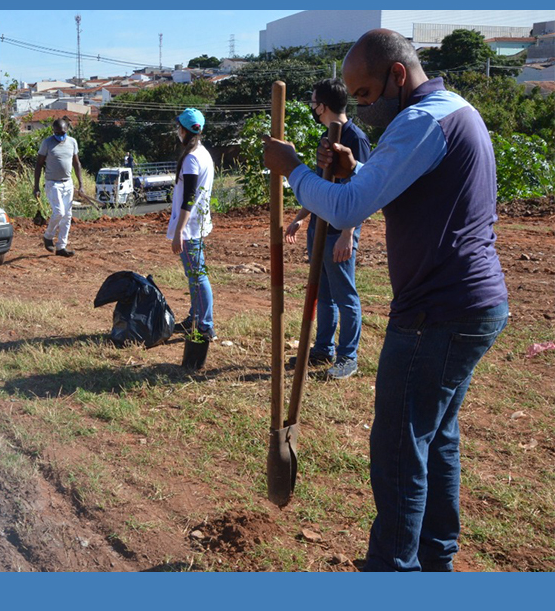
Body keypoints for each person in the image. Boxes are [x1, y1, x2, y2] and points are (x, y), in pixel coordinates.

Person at [264, 29, 508, 572]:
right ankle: (434, 560)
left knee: (399, 447)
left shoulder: (423, 121)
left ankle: (391, 573)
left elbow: (347, 209)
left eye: (368, 95)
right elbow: (390, 186)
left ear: (398, 76)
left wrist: (294, 170)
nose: (365, 109)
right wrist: (354, 168)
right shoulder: (451, 111)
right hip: (469, 305)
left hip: (436, 313)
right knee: (435, 437)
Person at [285, 78, 371, 380]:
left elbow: (362, 190)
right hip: (319, 226)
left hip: (339, 230)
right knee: (323, 292)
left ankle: (348, 357)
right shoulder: (327, 134)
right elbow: (322, 186)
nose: (311, 106)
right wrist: (301, 217)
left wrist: (348, 233)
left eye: (313, 101)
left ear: (323, 105)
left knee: (345, 294)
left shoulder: (355, 138)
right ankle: (323, 349)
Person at [169, 108, 216, 341]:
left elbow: (188, 198)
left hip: (190, 227)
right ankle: (194, 317)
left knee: (197, 276)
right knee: (196, 275)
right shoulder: (203, 153)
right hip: (197, 223)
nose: (177, 131)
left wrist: (179, 232)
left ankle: (205, 325)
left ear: (185, 130)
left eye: (179, 127)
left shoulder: (191, 159)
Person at [33, 118, 85, 257]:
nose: (60, 135)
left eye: (62, 132)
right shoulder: (47, 143)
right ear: (53, 131)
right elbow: (38, 164)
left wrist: (81, 185)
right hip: (52, 183)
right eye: (57, 133)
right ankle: (48, 236)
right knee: (59, 212)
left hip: (67, 183)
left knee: (67, 216)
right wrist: (36, 186)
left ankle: (61, 247)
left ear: (67, 129)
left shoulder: (72, 142)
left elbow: (76, 163)